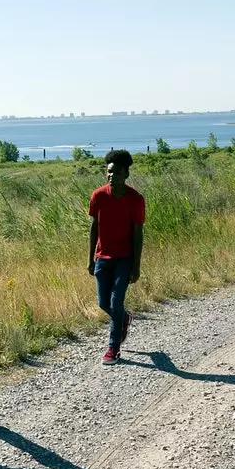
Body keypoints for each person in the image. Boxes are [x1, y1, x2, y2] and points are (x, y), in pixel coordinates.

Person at [88, 149, 145, 365]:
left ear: (126, 174)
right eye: (109, 172)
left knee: (116, 300)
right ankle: (123, 318)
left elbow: (138, 233)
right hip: (103, 256)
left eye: (118, 173)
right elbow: (94, 228)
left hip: (125, 258)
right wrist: (90, 258)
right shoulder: (98, 196)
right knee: (103, 303)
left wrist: (136, 266)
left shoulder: (135, 199)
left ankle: (113, 348)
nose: (112, 176)